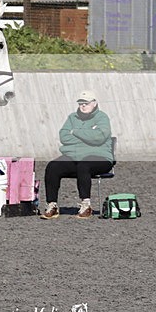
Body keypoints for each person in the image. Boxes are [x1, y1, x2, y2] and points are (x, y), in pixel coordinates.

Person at [41, 90, 114, 219]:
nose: (83, 106)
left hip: (100, 157)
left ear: (94, 103)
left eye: (86, 103)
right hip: (75, 156)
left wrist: (75, 132)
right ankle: (52, 205)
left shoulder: (102, 117)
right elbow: (64, 137)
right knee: (53, 166)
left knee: (84, 165)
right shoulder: (72, 118)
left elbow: (99, 137)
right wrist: (88, 136)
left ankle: (86, 205)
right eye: (81, 103)